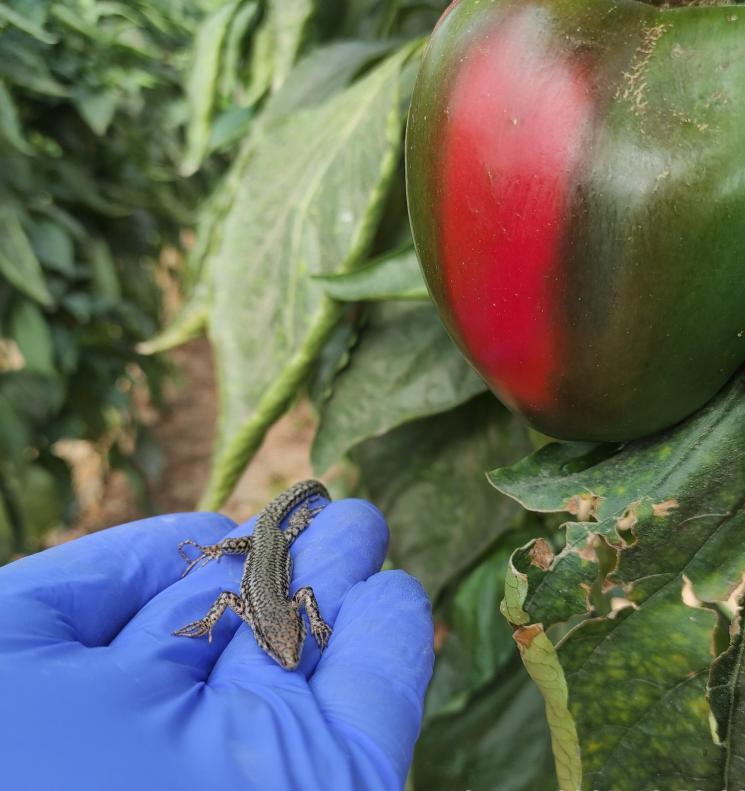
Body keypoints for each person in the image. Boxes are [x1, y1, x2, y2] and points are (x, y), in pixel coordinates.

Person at [0, 495, 434, 790]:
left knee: (284, 531)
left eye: (293, 644)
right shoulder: (258, 611)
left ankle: (299, 511)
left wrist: (314, 620)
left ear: (292, 627)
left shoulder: (285, 608)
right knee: (263, 534)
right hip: (261, 544)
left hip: (273, 545)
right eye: (279, 648)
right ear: (261, 635)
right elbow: (230, 597)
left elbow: (295, 596)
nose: (288, 658)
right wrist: (216, 563)